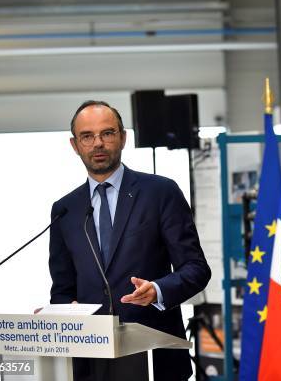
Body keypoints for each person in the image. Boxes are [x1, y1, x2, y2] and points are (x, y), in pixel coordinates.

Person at [49, 100, 211, 381]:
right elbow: (62, 289)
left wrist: (158, 290)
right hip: (91, 361)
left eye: (107, 133)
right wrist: (65, 310)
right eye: (87, 136)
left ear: (123, 137)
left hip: (154, 356)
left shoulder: (160, 192)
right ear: (75, 146)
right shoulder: (65, 209)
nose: (98, 143)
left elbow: (196, 269)